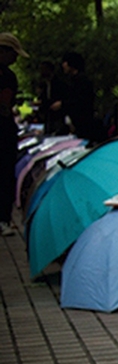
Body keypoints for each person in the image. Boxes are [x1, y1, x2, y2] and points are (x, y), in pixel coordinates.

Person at [0, 32, 27, 236]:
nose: (16, 58)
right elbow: (4, 106)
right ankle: (3, 219)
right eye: (14, 53)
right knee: (5, 175)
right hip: (3, 132)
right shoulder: (7, 76)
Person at [49, 51, 105, 142]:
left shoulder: (81, 81)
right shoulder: (73, 80)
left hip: (85, 123)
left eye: (65, 63)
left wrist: (62, 104)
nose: (63, 65)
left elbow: (80, 102)